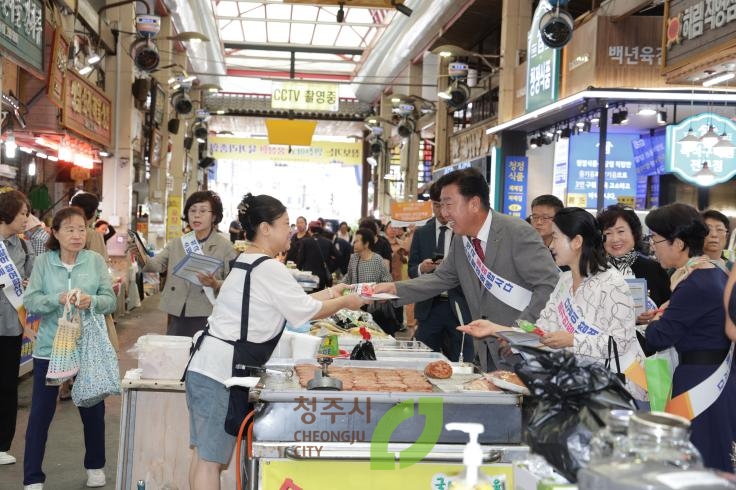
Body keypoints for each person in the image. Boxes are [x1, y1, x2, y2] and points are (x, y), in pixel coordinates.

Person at [184, 193, 367, 489]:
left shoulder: (248, 261)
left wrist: (334, 293)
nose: (290, 231)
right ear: (265, 228)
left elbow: (295, 303)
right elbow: (306, 312)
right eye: (284, 224)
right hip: (218, 373)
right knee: (210, 461)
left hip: (207, 368)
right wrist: (347, 300)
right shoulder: (268, 267)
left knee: (204, 457)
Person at [374, 168, 559, 371]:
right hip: (486, 349)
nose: (444, 214)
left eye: (449, 204)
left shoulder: (516, 232)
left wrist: (518, 331)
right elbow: (440, 279)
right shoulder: (462, 240)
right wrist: (394, 290)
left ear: (474, 203)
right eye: (441, 206)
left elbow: (549, 285)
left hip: (523, 350)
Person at [458, 208, 646, 400]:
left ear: (577, 242)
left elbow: (620, 342)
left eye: (556, 237)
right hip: (577, 387)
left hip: (616, 390)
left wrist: (571, 340)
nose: (551, 245)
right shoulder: (564, 281)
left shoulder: (612, 284)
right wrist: (494, 329)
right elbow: (542, 332)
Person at [22, 206, 116, 489]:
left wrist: (93, 302)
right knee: (40, 413)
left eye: (81, 229)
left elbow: (109, 299)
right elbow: (31, 300)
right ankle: (32, 477)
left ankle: (95, 466)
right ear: (56, 233)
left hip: (87, 347)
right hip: (51, 349)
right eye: (70, 229)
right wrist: (57, 298)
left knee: (92, 408)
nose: (77, 235)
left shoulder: (95, 261)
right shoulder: (43, 262)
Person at [642, 203, 735, 472]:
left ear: (679, 243)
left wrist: (658, 320)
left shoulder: (694, 283)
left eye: (656, 239)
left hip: (701, 381)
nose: (652, 246)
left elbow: (658, 337)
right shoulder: (713, 272)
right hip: (718, 375)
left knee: (700, 460)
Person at [138, 190, 237, 337]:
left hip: (208, 311)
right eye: (192, 211)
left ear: (214, 216)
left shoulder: (225, 246)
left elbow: (235, 284)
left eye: (203, 211)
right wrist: (139, 253)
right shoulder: (177, 243)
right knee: (177, 354)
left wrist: (215, 284)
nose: (196, 215)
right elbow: (154, 265)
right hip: (177, 310)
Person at [408, 183, 472, 362]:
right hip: (430, 307)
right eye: (437, 205)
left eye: (446, 205)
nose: (442, 211)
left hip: (458, 306)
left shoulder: (464, 232)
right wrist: (422, 268)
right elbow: (412, 269)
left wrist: (453, 266)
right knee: (423, 359)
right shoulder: (422, 233)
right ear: (431, 204)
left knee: (460, 358)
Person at [0, 190, 34, 467]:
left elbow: (34, 277)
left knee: (7, 387)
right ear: (8, 212)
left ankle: (1, 444)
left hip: (11, 328)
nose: (27, 218)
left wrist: (26, 284)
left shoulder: (23, 247)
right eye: (23, 213)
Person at [597, 204, 671, 325]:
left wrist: (655, 315)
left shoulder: (654, 269)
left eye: (621, 231)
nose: (615, 239)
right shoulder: (595, 268)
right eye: (608, 233)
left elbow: (668, 307)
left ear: (634, 233)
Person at [297, 221, 339, 291]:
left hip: (308, 276)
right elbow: (338, 256)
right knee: (321, 296)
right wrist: (331, 268)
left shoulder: (305, 242)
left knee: (310, 296)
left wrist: (298, 271)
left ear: (310, 230)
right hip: (322, 277)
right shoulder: (328, 242)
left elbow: (300, 260)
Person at [70, 192, 108, 261]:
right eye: (96, 210)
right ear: (93, 212)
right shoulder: (93, 235)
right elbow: (99, 265)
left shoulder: (62, 232)